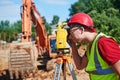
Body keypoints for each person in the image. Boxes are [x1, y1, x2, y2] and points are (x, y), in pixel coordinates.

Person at [67, 12, 120, 80]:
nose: (70, 35)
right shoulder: (91, 46)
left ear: (81, 30)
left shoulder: (103, 43)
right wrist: (72, 43)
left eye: (71, 31)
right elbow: (79, 65)